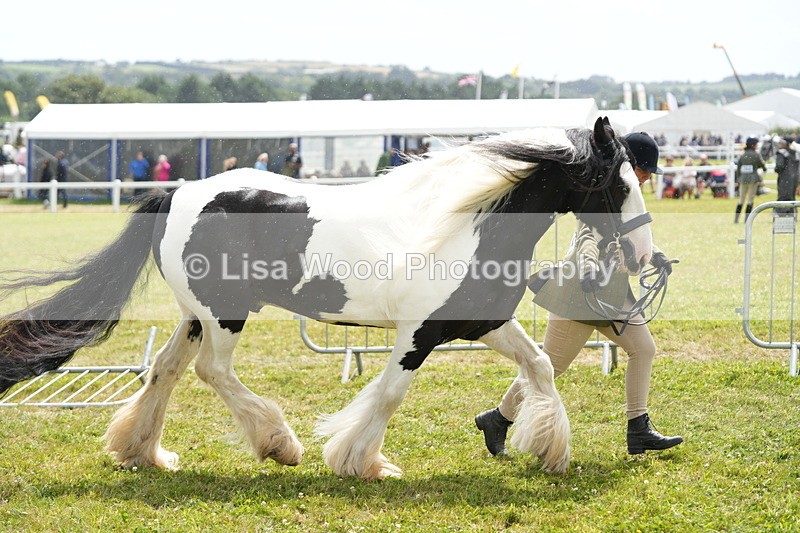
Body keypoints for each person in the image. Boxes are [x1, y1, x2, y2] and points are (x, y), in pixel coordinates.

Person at [475, 132, 683, 457]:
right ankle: (498, 419)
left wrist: (654, 255)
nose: (645, 178)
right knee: (550, 368)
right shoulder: (604, 194)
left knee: (643, 349)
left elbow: (627, 236)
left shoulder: (622, 199)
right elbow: (587, 235)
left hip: (612, 294)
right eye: (644, 171)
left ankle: (638, 428)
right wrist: (587, 269)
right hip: (579, 296)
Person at [734, 137, 766, 223]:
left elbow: (738, 168)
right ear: (753, 145)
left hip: (743, 179)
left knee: (741, 199)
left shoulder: (743, 154)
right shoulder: (756, 154)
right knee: (750, 200)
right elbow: (762, 164)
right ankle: (747, 220)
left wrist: (738, 179)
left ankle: (736, 219)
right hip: (753, 180)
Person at [774, 136, 799, 216]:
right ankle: (792, 215)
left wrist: (776, 169)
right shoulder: (796, 153)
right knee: (792, 198)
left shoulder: (781, 153)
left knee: (783, 198)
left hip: (784, 179)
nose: (779, 144)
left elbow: (779, 167)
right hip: (794, 179)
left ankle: (781, 216)